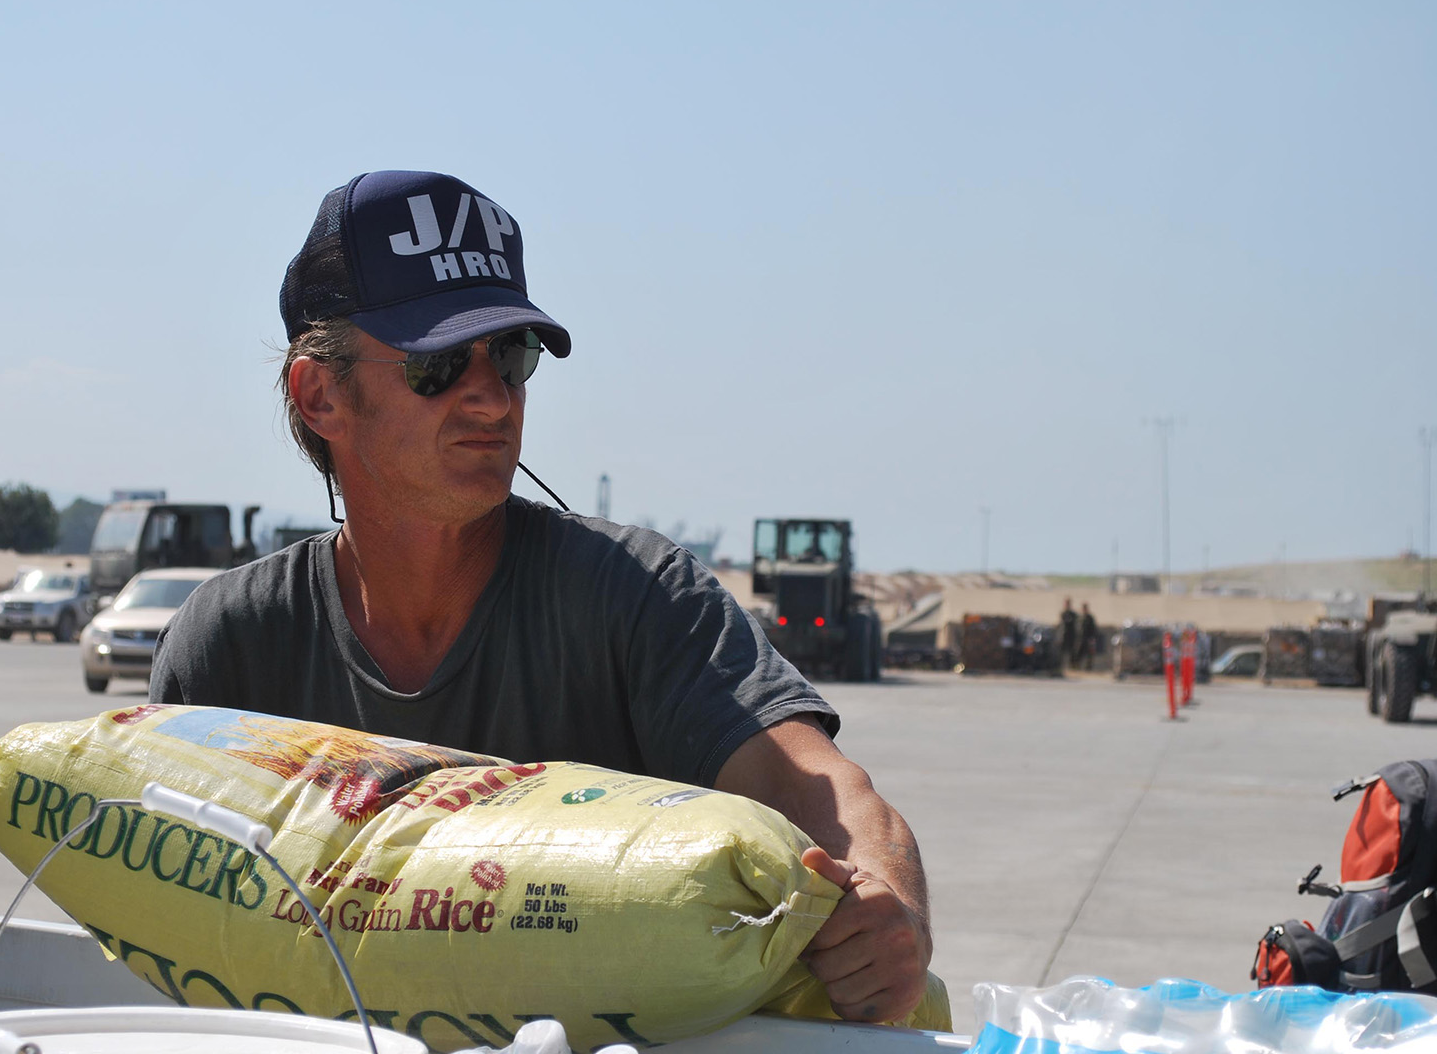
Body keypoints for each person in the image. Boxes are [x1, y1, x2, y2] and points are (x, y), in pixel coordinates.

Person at [149, 170, 932, 1023]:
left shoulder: (631, 595)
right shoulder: (229, 645)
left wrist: (886, 903)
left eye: (510, 356)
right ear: (322, 394)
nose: (491, 396)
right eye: (439, 363)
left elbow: (818, 785)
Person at [1077, 602, 1098, 671]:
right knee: (1079, 653)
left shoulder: (1090, 618)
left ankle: (1088, 668)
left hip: (1088, 638)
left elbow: (1093, 629)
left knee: (1089, 654)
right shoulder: (1080, 618)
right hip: (1080, 638)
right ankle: (1078, 667)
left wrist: (1092, 638)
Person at [1058, 597, 1078, 667]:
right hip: (1064, 636)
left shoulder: (1073, 614)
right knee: (1062, 652)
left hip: (1071, 636)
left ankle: (1072, 666)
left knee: (1072, 652)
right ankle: (1061, 665)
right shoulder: (1063, 613)